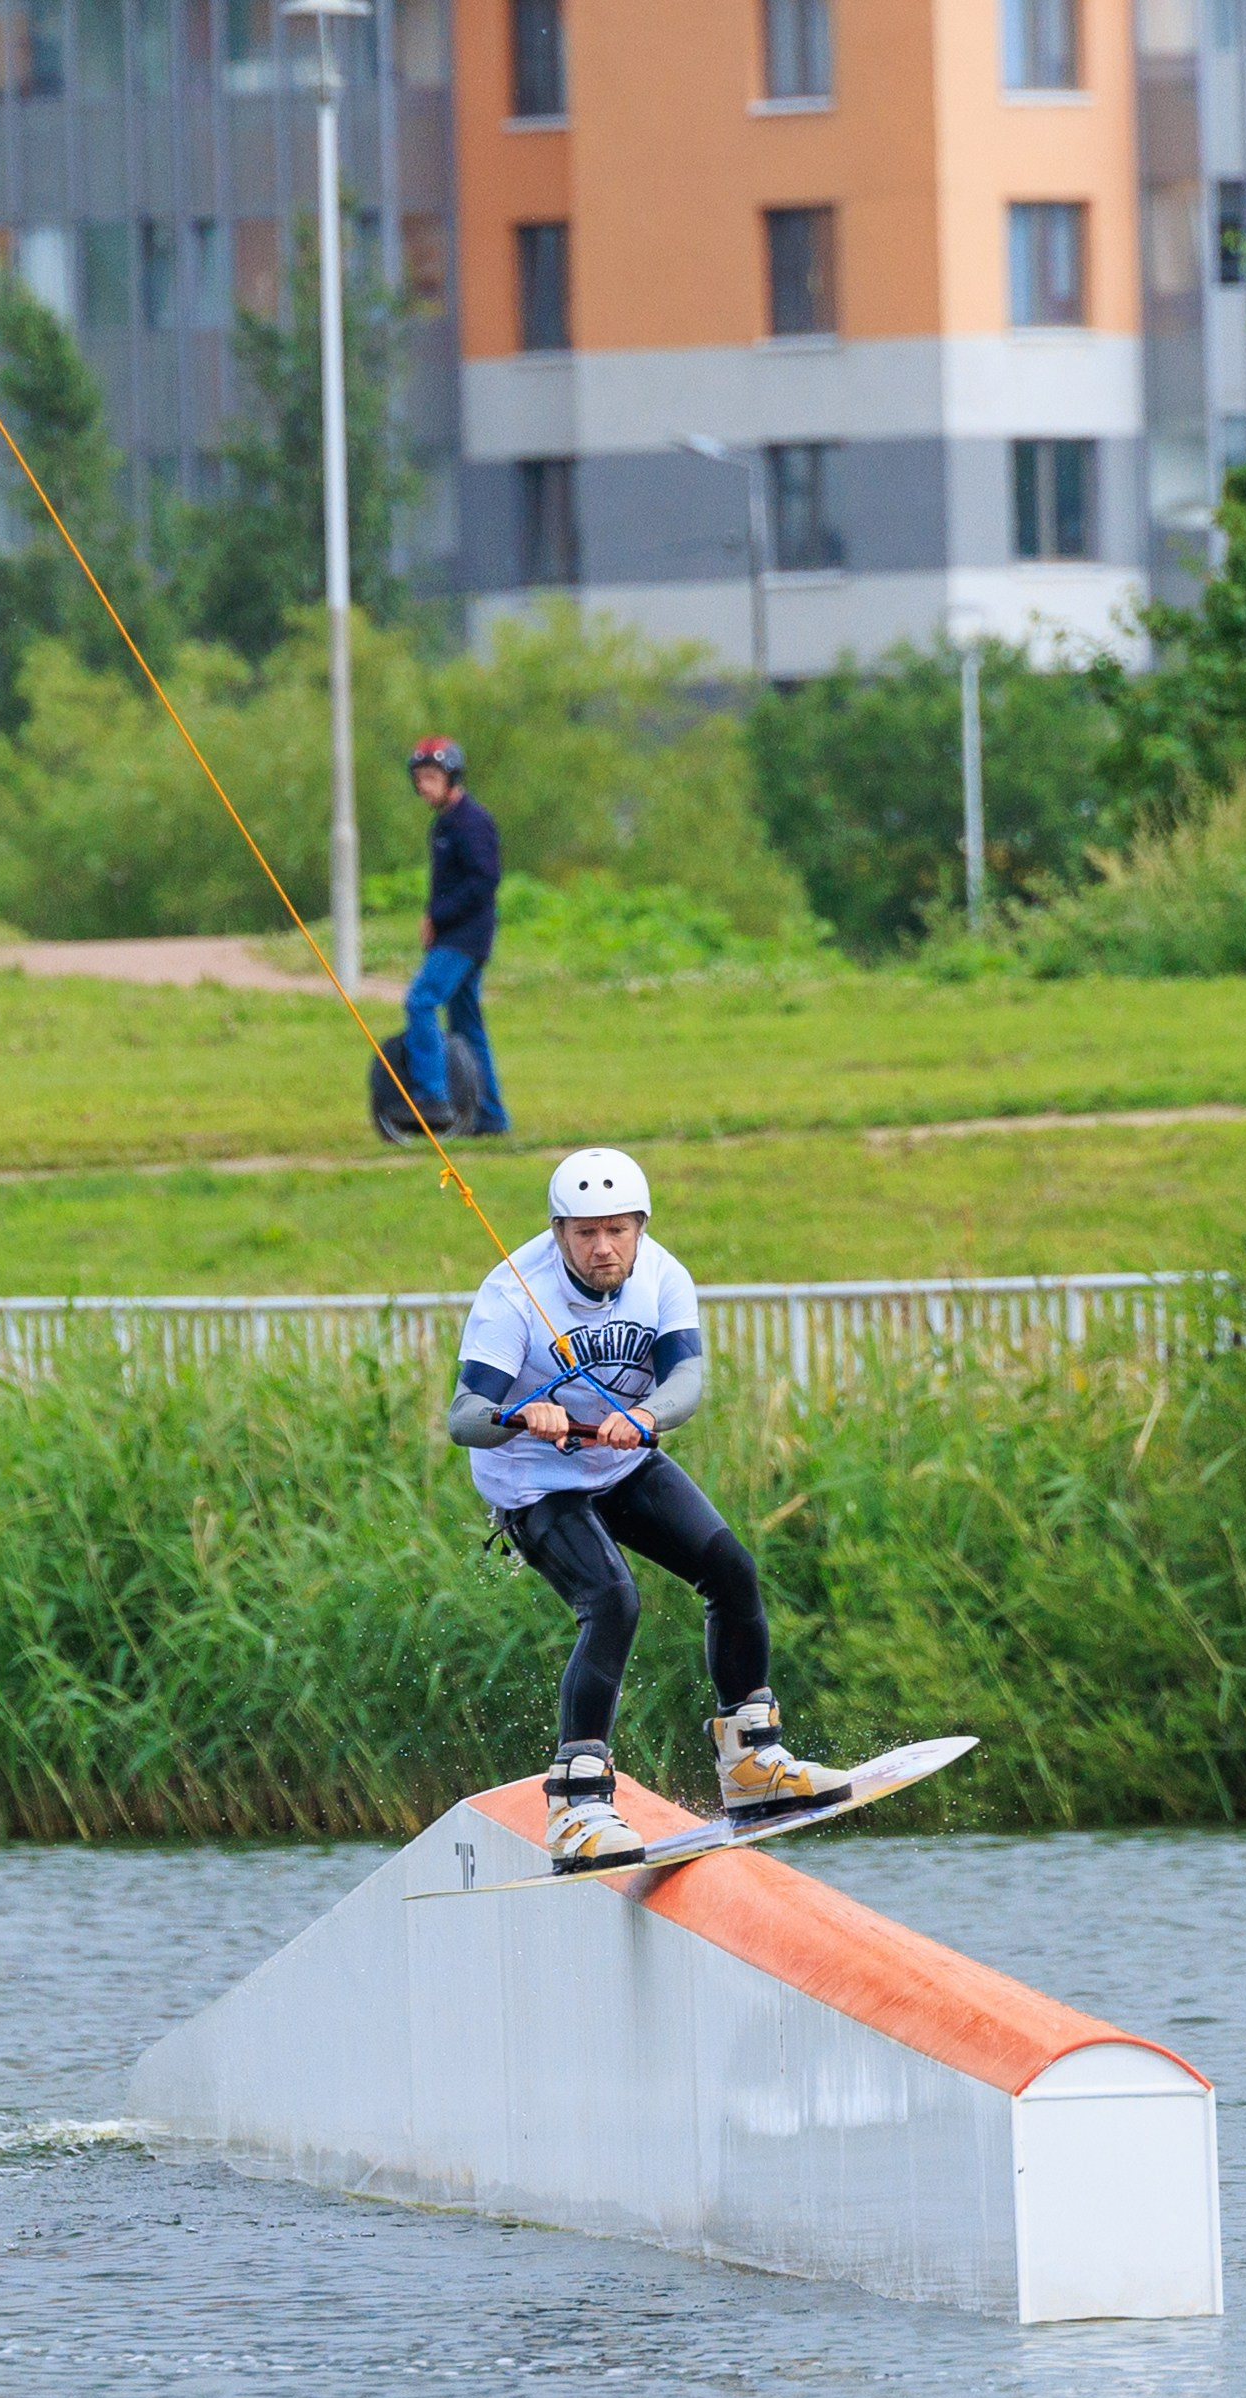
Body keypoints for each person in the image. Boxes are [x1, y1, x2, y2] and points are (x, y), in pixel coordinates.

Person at [448, 1146, 848, 1868]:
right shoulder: (511, 1293)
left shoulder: (662, 1274)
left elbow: (687, 1379)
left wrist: (648, 1416)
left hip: (622, 1456)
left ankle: (751, 1763)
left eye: (617, 1231)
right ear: (558, 1230)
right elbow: (463, 1415)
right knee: (613, 1600)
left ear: (640, 1226)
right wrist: (519, 1412)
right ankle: (577, 1804)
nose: (603, 1248)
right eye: (585, 1233)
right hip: (532, 1483)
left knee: (730, 1568)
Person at [404, 736, 510, 1138]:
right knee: (467, 1027)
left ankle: (433, 1097)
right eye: (419, 778)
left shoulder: (472, 821)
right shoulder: (444, 823)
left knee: (420, 1001)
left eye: (430, 777)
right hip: (453, 935)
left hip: (465, 937)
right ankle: (491, 1117)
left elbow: (485, 880)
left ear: (451, 778)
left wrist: (438, 916)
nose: (423, 786)